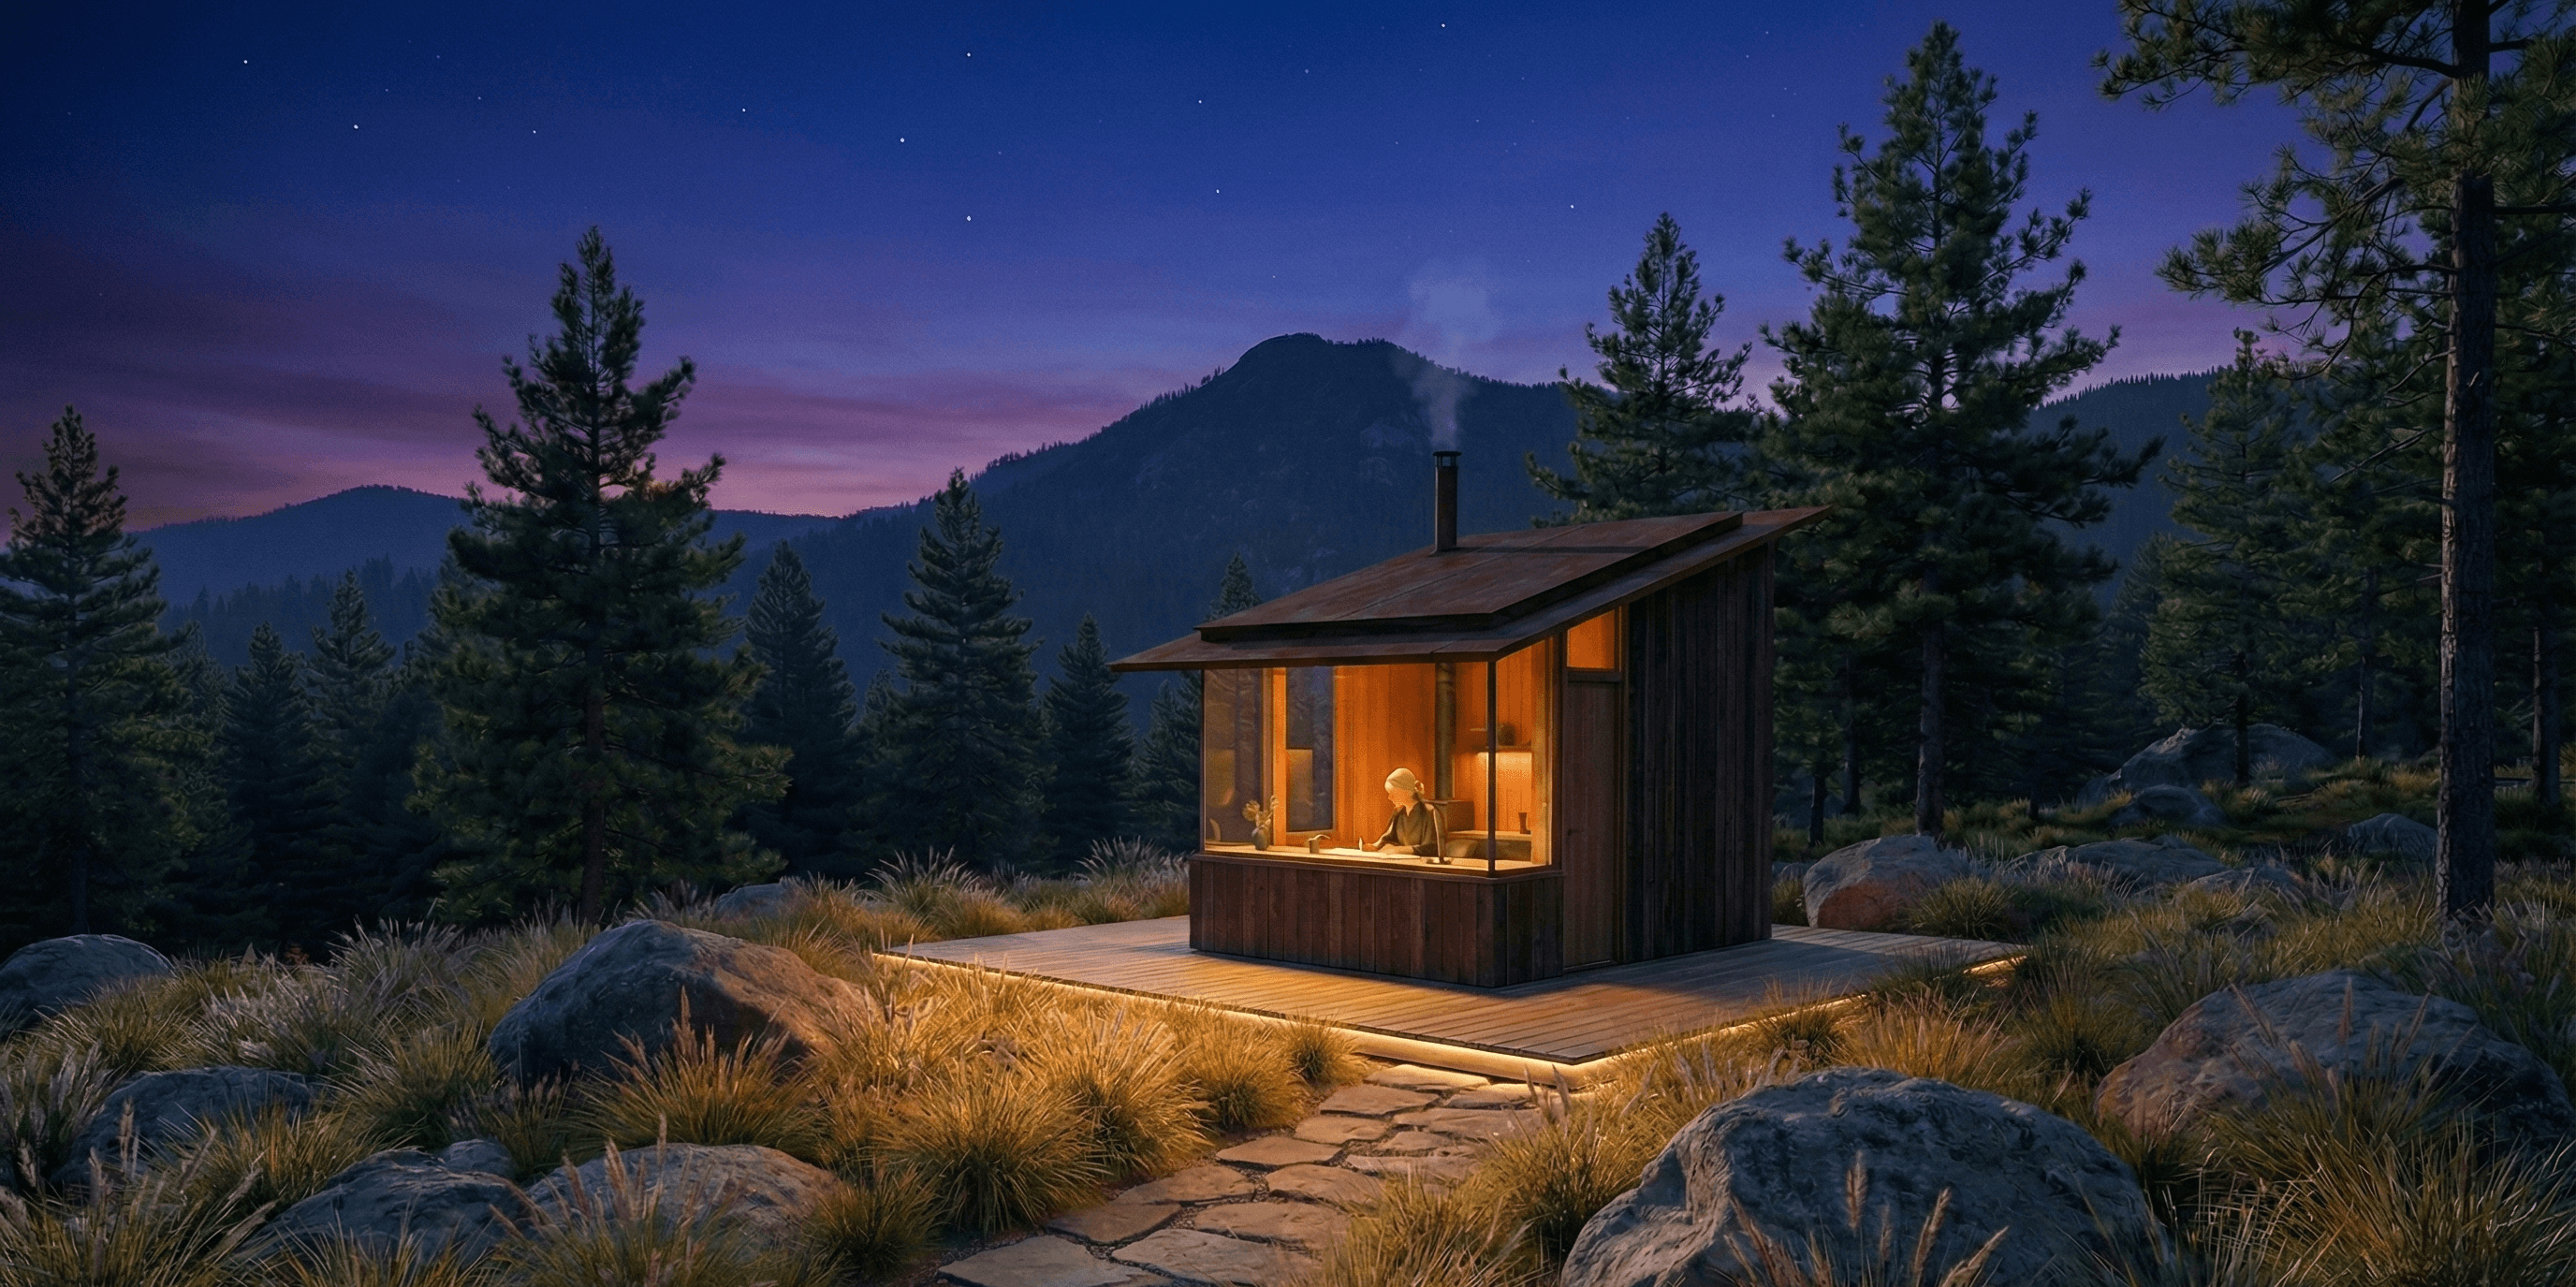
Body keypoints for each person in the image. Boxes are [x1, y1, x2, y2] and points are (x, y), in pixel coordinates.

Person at [1368, 767, 1445, 861]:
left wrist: (1401, 850)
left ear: (1405, 790)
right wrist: (1373, 847)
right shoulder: (1399, 814)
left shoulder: (1430, 812)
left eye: (1393, 793)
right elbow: (1387, 838)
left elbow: (1432, 847)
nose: (1389, 797)